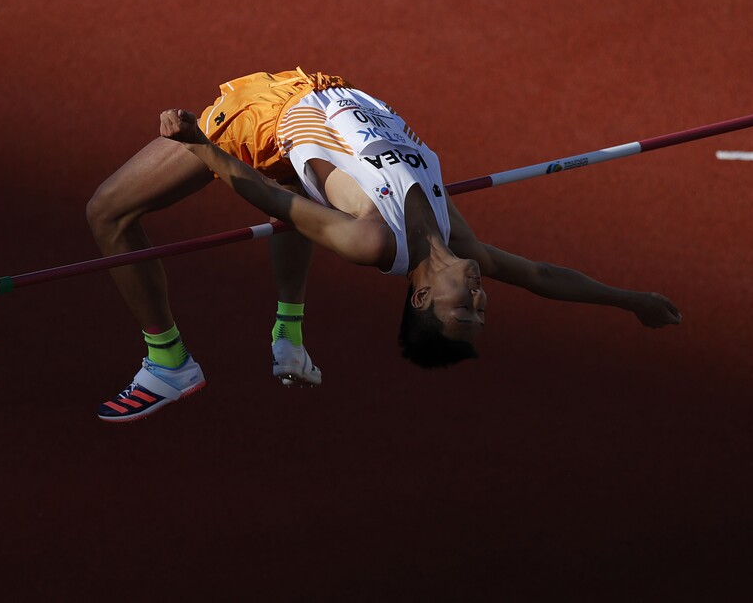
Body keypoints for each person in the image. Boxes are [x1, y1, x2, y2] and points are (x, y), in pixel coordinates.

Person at [86, 69, 681, 422]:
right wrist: (633, 301)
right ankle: (287, 333)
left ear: (421, 296)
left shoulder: (371, 240)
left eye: (461, 309)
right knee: (305, 190)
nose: (478, 299)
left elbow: (270, 202)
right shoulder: (457, 237)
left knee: (107, 212)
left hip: (260, 121)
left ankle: (168, 364)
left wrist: (198, 143)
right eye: (482, 310)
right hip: (317, 91)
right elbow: (546, 277)